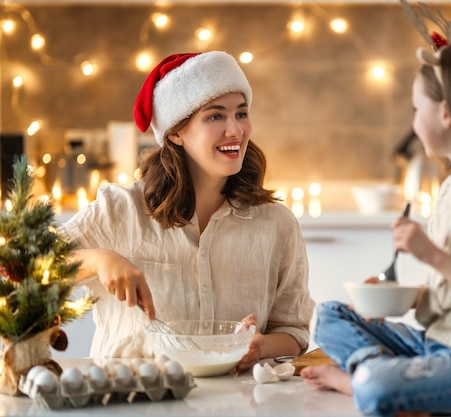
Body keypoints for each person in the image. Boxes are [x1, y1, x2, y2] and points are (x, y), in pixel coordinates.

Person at [301, 40, 451, 416]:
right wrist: (403, 299)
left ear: (446, 113)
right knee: (327, 316)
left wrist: (431, 254)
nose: (414, 121)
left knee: (376, 386)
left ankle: (367, 379)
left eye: (417, 109)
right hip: (439, 343)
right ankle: (391, 376)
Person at [60, 51, 315, 372]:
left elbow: (293, 332)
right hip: (130, 399)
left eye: (241, 113)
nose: (235, 130)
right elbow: (21, 267)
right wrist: (98, 260)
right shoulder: (119, 211)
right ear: (176, 132)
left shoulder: (277, 224)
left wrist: (259, 346)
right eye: (215, 116)